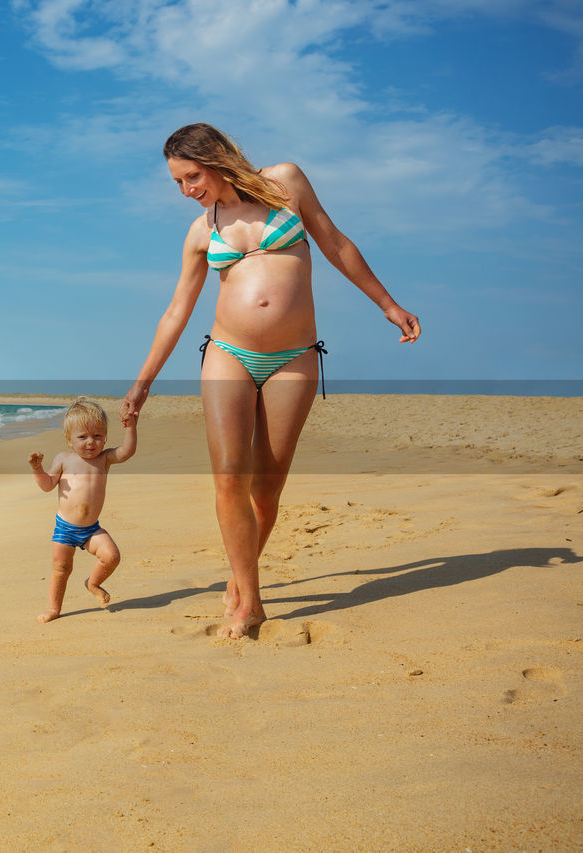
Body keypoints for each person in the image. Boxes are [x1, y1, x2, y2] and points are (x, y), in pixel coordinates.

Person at [121, 123, 420, 639]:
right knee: (229, 478)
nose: (186, 190)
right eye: (177, 183)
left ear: (215, 159)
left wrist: (388, 304)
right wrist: (143, 382)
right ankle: (250, 602)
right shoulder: (202, 230)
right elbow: (175, 313)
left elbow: (335, 244)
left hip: (294, 357)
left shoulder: (285, 183)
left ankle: (240, 576)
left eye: (192, 176)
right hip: (226, 354)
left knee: (268, 485)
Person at [28, 398, 138, 623]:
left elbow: (127, 451)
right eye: (83, 437)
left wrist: (131, 427)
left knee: (112, 556)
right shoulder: (64, 459)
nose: (91, 442)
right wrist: (37, 468)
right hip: (65, 529)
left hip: (91, 529)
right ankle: (53, 608)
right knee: (61, 569)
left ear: (105, 437)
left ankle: (93, 583)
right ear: (69, 440)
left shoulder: (105, 459)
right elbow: (48, 485)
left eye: (98, 436)